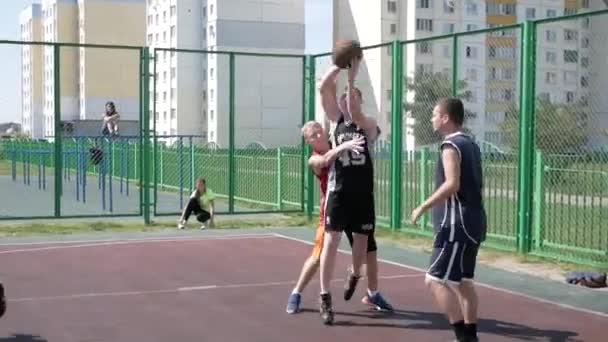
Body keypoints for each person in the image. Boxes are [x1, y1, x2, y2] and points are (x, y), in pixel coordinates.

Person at [285, 121, 393, 315]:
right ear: (309, 142)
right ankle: (297, 292)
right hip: (332, 210)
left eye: (319, 131)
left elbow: (371, 134)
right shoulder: (315, 158)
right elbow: (324, 161)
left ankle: (372, 293)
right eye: (313, 136)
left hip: (355, 205)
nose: (318, 136)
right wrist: (343, 147)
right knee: (319, 255)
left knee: (370, 250)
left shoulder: (341, 141)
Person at [411, 98, 487, 342]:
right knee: (464, 281)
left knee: (434, 280)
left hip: (457, 224)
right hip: (475, 221)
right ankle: (471, 335)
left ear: (445, 118)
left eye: (435, 114)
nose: (432, 118)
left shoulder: (450, 145)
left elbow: (452, 184)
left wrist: (423, 206)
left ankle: (462, 335)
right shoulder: (471, 144)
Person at [317, 54, 382, 325]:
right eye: (344, 98)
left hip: (362, 195)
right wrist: (339, 66)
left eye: (352, 97)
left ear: (360, 102)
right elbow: (323, 88)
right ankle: (324, 297)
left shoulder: (369, 126)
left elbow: (357, 114)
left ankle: (355, 274)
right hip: (339, 193)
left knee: (360, 251)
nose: (347, 101)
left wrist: (353, 76)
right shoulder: (335, 122)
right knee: (330, 241)